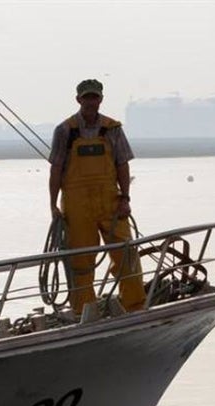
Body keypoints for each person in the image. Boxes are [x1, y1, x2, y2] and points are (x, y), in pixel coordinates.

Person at [48, 78, 145, 315]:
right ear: (78, 100)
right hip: (76, 205)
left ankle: (135, 306)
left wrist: (125, 199)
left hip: (110, 202)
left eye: (95, 97)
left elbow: (122, 165)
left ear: (101, 99)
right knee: (80, 262)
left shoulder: (113, 128)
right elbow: (56, 169)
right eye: (86, 97)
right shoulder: (65, 130)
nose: (91, 102)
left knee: (127, 254)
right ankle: (84, 313)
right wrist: (53, 205)